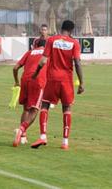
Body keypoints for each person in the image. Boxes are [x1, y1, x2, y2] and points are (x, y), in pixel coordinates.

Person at [31, 20, 84, 150]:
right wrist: (81, 83)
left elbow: (43, 60)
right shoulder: (74, 43)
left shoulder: (52, 40)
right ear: (71, 30)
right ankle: (65, 142)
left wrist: (36, 73)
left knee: (45, 105)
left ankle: (43, 136)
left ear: (62, 28)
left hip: (52, 79)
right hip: (66, 80)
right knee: (66, 108)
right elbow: (77, 63)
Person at [12, 39, 47, 147]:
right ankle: (21, 130)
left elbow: (15, 67)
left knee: (26, 109)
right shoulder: (47, 53)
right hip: (37, 80)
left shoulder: (29, 52)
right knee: (35, 110)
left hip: (25, 80)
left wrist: (17, 82)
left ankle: (23, 137)